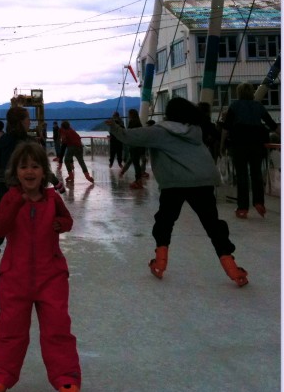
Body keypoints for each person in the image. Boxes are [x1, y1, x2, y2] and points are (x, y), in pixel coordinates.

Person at [106, 96, 249, 287]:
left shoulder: (159, 132)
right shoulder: (195, 130)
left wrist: (114, 126)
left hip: (175, 183)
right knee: (213, 225)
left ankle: (160, 262)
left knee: (165, 221)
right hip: (203, 181)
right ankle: (232, 268)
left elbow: (130, 137)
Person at [0, 141, 81, 392]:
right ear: (15, 171)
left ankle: (65, 376)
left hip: (52, 277)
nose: (30, 171)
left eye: (35, 166)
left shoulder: (53, 198)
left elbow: (68, 220)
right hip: (15, 278)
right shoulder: (10, 198)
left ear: (44, 171)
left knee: (57, 329)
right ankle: (0, 376)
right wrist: (14, 200)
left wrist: (61, 224)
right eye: (24, 166)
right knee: (10, 331)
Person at [0, 106, 65, 281]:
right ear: (20, 121)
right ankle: (29, 265)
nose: (29, 121)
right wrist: (56, 183)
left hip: (5, 187)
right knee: (26, 226)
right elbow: (41, 167)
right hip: (25, 190)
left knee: (3, 223)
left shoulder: (4, 140)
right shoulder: (28, 143)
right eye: (27, 118)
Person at [222, 82, 279, 219]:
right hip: (257, 145)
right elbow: (272, 125)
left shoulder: (235, 106)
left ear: (239, 93)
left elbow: (226, 127)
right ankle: (259, 202)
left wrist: (222, 144)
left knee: (242, 176)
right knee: (256, 174)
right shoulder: (258, 106)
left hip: (239, 145)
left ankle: (242, 208)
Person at [60, 120, 94, 185]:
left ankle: (71, 175)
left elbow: (63, 140)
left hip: (72, 147)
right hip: (79, 147)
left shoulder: (65, 131)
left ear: (63, 127)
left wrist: (63, 140)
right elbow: (78, 137)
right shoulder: (72, 130)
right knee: (81, 162)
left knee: (66, 160)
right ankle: (88, 176)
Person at [120, 109, 145, 189]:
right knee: (136, 162)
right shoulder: (139, 123)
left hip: (134, 146)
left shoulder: (132, 123)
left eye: (129, 114)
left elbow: (128, 133)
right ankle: (138, 179)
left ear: (131, 115)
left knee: (136, 164)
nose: (128, 116)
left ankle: (138, 180)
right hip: (140, 146)